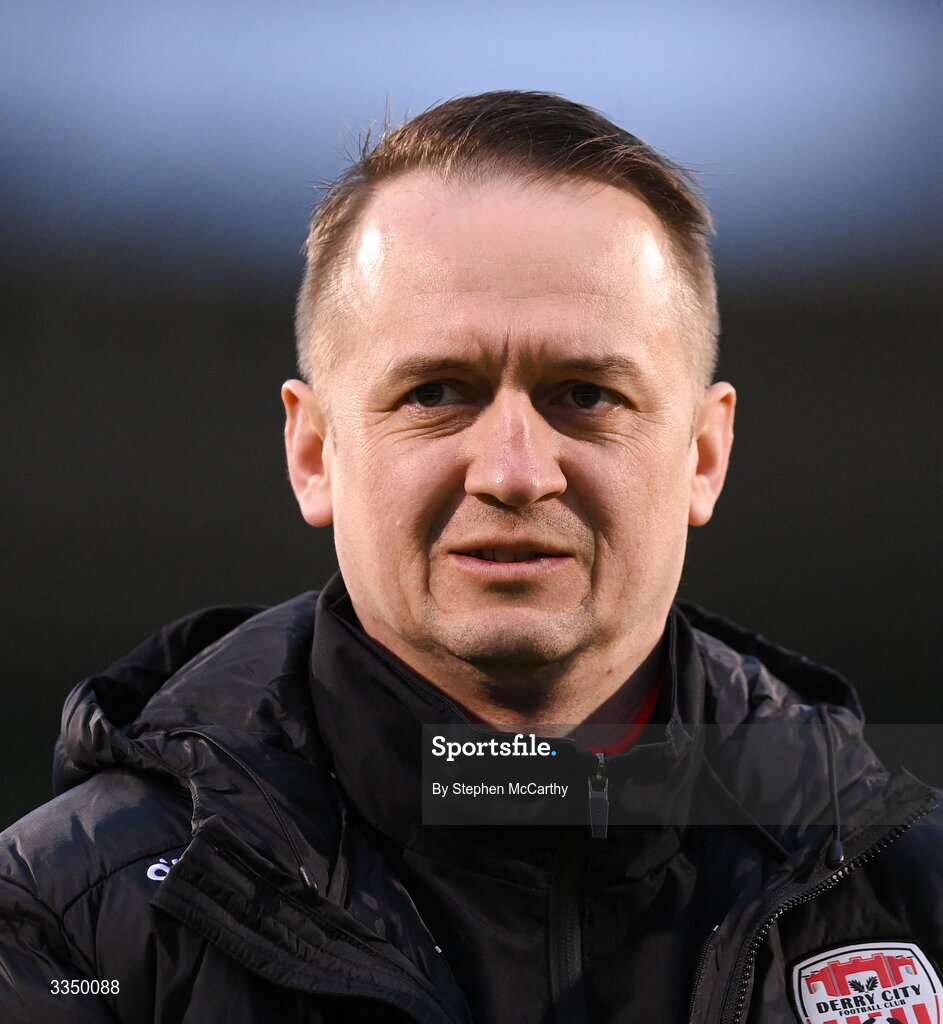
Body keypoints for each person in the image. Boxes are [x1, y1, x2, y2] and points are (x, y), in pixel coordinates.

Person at [0, 91, 940, 1024]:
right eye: (437, 391)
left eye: (585, 394)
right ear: (314, 452)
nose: (514, 473)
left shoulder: (912, 890)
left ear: (702, 454)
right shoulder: (70, 926)